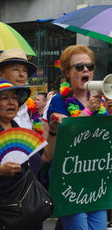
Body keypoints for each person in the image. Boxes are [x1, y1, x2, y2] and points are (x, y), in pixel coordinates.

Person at [46, 44, 108, 230]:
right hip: (69, 178)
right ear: (67, 72)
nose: (86, 70)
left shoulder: (100, 101)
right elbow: (69, 131)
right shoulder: (58, 101)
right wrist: (88, 109)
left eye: (89, 66)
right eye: (79, 67)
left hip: (95, 177)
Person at [0, 78, 44, 229]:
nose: (12, 102)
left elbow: (44, 159)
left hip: (27, 210)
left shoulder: (22, 133)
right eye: (5, 98)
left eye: (14, 98)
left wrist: (52, 132)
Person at [0, 49, 36, 129]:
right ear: (1, 73)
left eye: (25, 70)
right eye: (16, 69)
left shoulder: (27, 106)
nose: (21, 74)